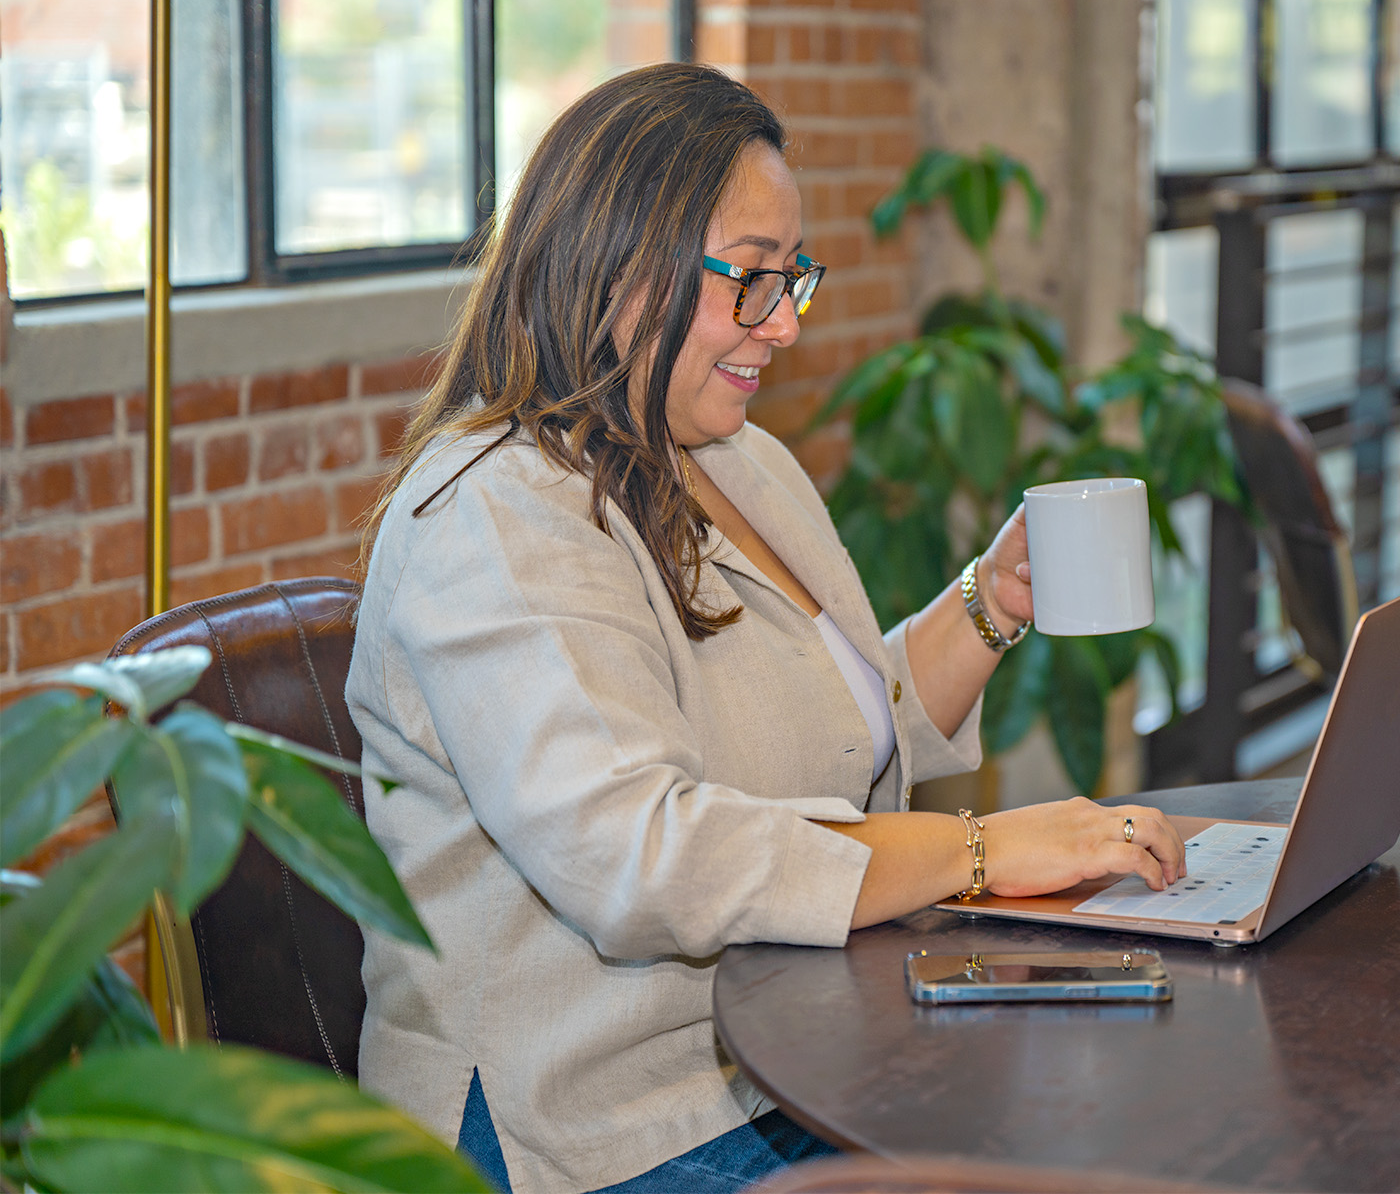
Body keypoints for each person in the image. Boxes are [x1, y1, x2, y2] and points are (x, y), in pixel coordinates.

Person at [348, 63, 1186, 1194]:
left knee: (1095, 1122)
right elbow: (645, 857)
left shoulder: (737, 459)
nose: (783, 326)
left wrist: (991, 602)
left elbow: (850, 727)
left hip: (783, 1052)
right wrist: (983, 854)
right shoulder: (493, 510)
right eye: (749, 280)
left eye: (793, 280)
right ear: (620, 269)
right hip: (589, 1122)